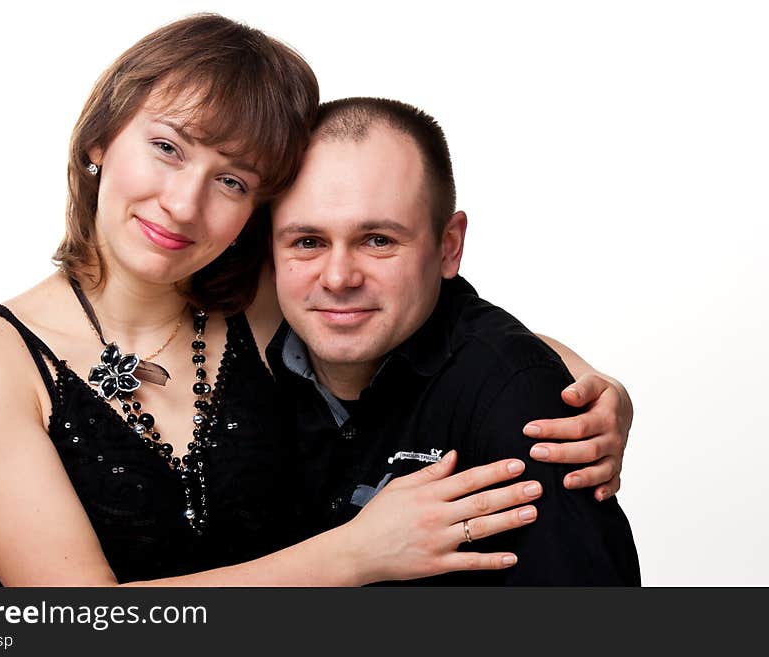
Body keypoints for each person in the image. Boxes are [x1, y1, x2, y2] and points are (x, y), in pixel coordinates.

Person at [0, 15, 632, 587]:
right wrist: (353, 555)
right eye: (167, 147)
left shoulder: (260, 300)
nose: (183, 203)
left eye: (232, 180)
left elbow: (428, 318)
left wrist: (585, 387)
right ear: (101, 139)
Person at [268, 97, 640, 585]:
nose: (338, 277)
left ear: (449, 247)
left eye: (378, 240)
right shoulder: (227, 359)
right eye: (308, 241)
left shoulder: (520, 401)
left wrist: (539, 375)